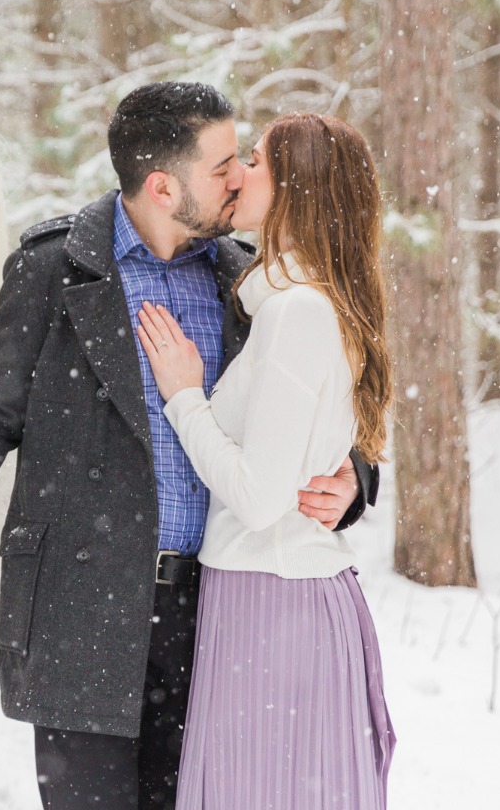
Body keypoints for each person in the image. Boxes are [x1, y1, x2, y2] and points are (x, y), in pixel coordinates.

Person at [0, 82, 377, 809]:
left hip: (212, 615)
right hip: (80, 614)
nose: (238, 178)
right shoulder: (55, 268)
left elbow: (311, 404)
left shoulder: (244, 279)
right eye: (222, 166)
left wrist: (354, 480)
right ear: (163, 184)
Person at [133, 112, 395, 807]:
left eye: (252, 161)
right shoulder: (290, 303)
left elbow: (256, 495)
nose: (235, 175)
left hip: (272, 606)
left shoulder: (297, 313)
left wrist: (184, 398)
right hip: (263, 600)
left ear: (296, 191)